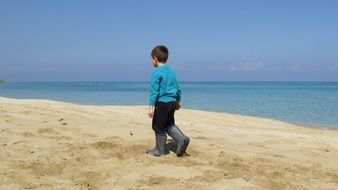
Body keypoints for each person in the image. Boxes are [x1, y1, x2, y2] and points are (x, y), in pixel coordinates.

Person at [146, 45, 190, 157]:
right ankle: (181, 139)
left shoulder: (156, 73)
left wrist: (151, 107)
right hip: (171, 103)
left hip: (162, 103)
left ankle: (160, 150)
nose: (151, 61)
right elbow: (178, 88)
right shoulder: (172, 72)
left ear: (155, 58)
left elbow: (154, 92)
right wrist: (177, 102)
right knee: (169, 124)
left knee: (158, 126)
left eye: (151, 59)